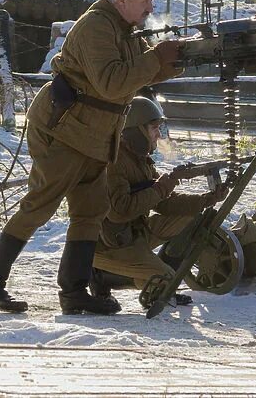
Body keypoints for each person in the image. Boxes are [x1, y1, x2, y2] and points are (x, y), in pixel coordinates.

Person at [0, 0, 182, 315]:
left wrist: (177, 58)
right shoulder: (96, 27)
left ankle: (74, 292)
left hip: (93, 135)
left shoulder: (125, 27)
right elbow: (113, 83)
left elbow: (138, 75)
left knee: (90, 212)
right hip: (65, 132)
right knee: (39, 205)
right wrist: (156, 58)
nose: (150, 9)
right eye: (145, 1)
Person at [94, 97, 227, 306]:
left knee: (191, 218)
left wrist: (206, 199)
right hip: (110, 244)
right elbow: (120, 210)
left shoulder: (140, 158)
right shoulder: (115, 161)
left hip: (134, 234)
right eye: (154, 128)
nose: (159, 134)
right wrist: (165, 184)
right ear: (136, 131)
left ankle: (161, 279)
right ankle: (100, 276)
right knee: (165, 279)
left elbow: (164, 203)